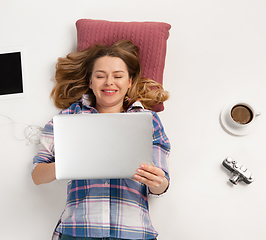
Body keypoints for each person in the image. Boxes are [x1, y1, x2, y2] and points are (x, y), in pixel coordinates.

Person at [32, 40, 170, 240]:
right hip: (79, 232)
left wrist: (158, 181)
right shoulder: (67, 119)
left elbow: (161, 186)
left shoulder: (149, 121)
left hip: (133, 233)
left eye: (118, 76)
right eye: (100, 76)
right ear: (90, 82)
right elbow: (37, 176)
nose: (109, 82)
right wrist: (70, 162)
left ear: (130, 81)